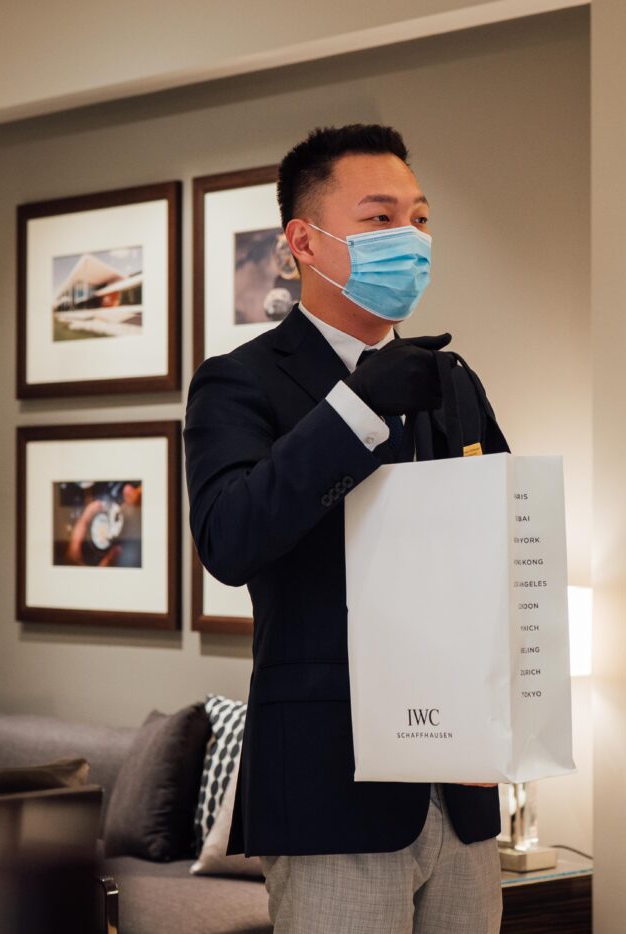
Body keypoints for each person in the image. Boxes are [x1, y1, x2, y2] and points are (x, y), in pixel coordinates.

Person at [184, 124, 505, 934]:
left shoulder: (452, 382)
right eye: (379, 218)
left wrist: (504, 729)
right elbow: (230, 538)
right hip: (330, 789)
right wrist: (358, 406)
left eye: (421, 218)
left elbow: (498, 547)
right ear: (305, 242)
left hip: (462, 793)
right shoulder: (238, 382)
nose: (411, 239)